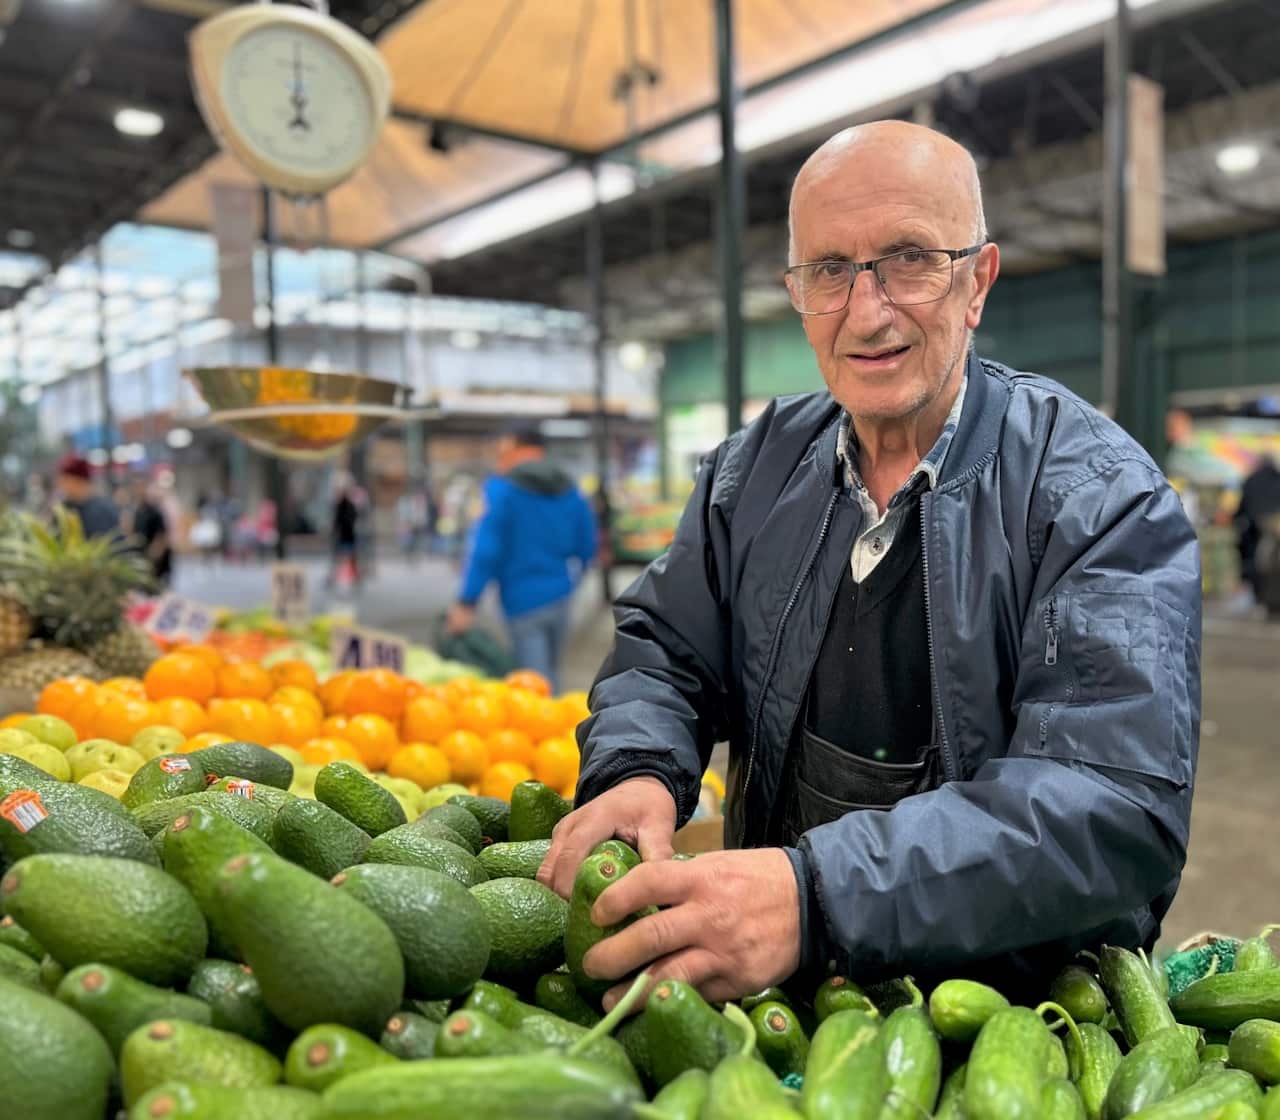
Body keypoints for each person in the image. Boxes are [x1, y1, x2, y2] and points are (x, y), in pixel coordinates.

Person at [538, 120, 1201, 1008]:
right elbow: (666, 648)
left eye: (909, 259)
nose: (867, 310)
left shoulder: (1100, 496)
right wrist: (637, 766)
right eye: (829, 270)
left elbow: (1111, 806)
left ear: (977, 281)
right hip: (784, 988)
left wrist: (817, 896)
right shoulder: (753, 471)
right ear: (798, 290)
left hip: (1013, 1012)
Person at [447, 426, 598, 692]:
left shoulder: (502, 490)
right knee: (551, 671)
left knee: (535, 683)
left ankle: (554, 730)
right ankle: (560, 725)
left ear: (516, 447)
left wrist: (467, 601)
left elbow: (486, 550)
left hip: (521, 599)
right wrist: (574, 579)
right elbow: (587, 544)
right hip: (561, 593)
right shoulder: (569, 488)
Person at [1234, 454, 1280, 611]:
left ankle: (1262, 597)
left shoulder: (1251, 480)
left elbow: (1242, 507)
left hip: (1254, 530)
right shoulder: (1277, 478)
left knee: (1259, 564)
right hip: (1270, 529)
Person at [54, 453, 119, 539]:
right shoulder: (63, 509)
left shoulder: (102, 511)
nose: (61, 485)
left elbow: (113, 543)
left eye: (66, 480)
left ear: (79, 481)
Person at [130, 477, 173, 587]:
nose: (139, 491)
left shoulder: (155, 511)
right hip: (142, 559)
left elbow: (162, 536)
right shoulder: (137, 512)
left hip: (157, 563)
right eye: (137, 488)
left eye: (142, 487)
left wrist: (153, 556)